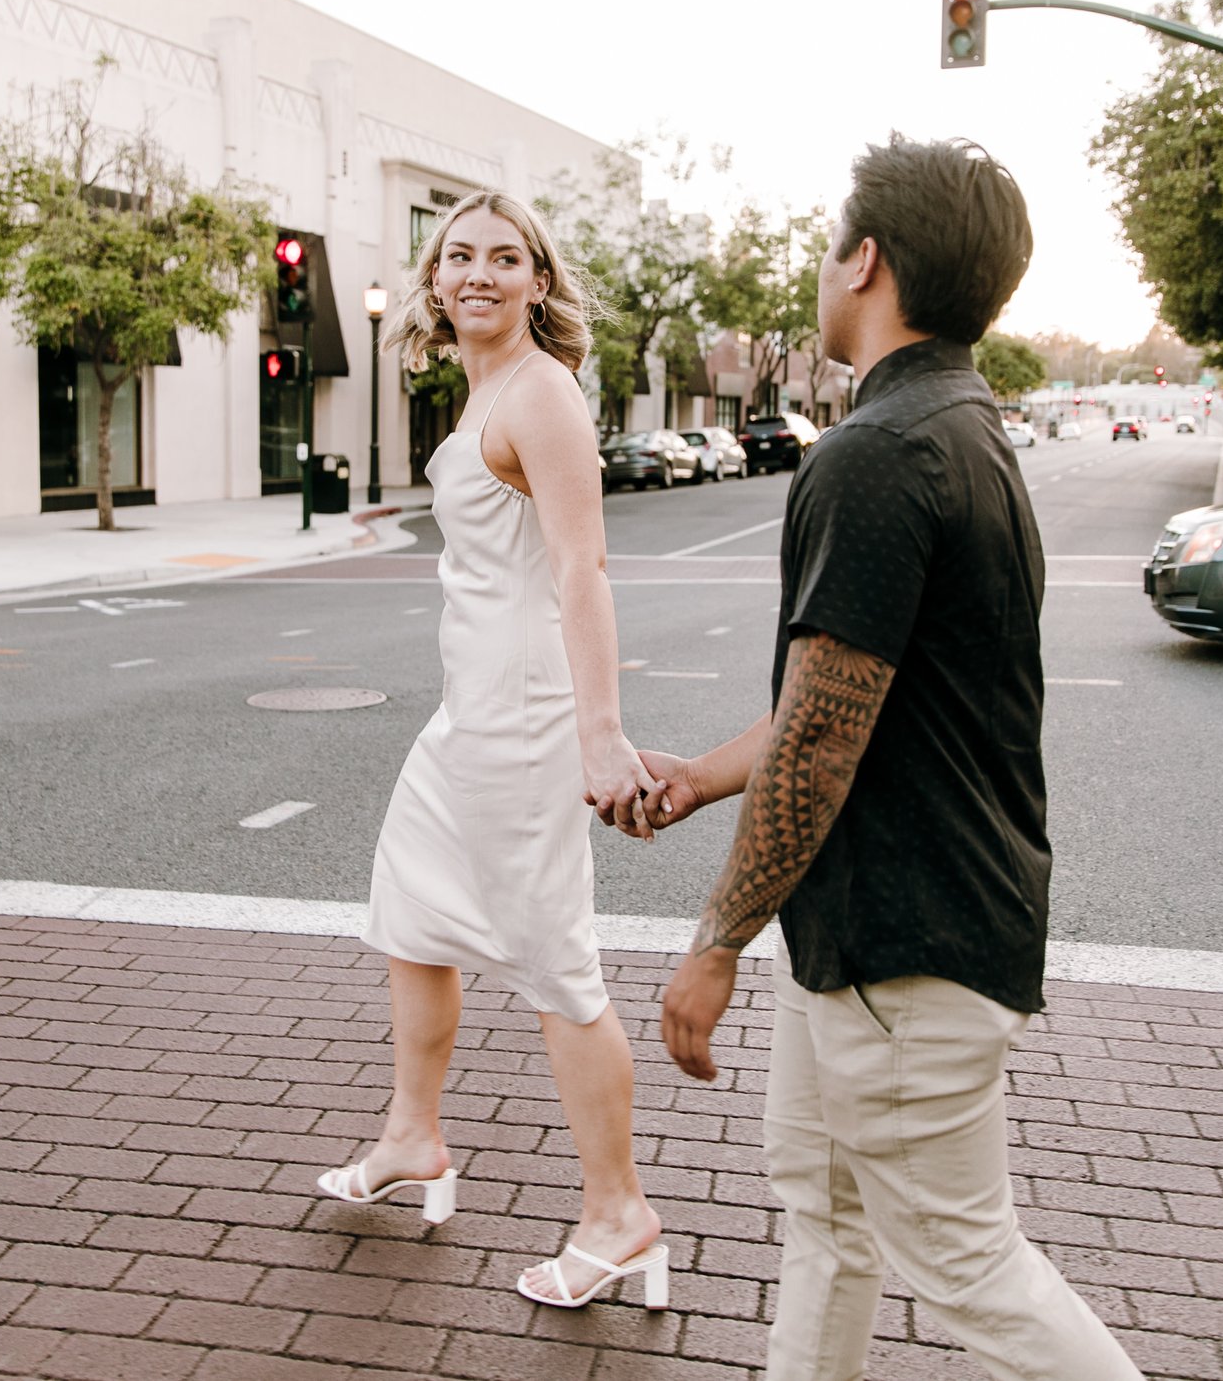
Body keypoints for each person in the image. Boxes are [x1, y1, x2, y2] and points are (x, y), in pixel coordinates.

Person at [626, 136, 1141, 1380]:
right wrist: (697, 774)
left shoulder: (880, 452)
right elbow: (842, 700)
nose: (819, 263)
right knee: (825, 1211)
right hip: (871, 933)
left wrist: (710, 947)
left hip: (906, 943)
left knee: (965, 1260)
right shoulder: (959, 423)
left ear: (866, 258)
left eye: (826, 241)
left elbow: (819, 738)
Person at [316, 190, 670, 1313]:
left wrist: (599, 729)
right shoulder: (483, 393)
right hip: (463, 712)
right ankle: (412, 1134)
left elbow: (582, 568)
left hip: (524, 715)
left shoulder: (543, 393)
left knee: (555, 965)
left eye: (503, 258)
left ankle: (618, 1214)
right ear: (433, 280)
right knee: (410, 916)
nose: (478, 272)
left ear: (537, 281)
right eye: (458, 255)